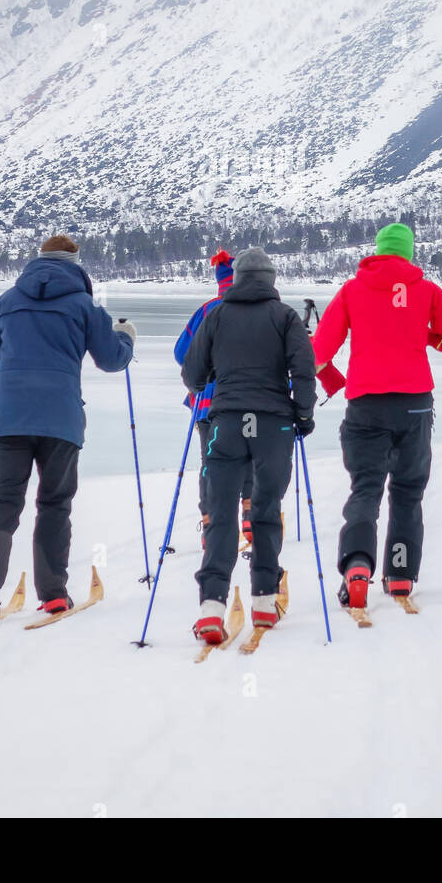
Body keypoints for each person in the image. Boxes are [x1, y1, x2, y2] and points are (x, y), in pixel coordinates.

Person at [309, 222, 442, 610]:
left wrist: (331, 378)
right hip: (415, 404)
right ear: (408, 253)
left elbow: (317, 353)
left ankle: (357, 565)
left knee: (366, 488)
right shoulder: (427, 291)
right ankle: (400, 573)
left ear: (378, 250)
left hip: (366, 403)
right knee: (407, 490)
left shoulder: (352, 290)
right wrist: (428, 335)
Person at [0, 235, 135, 620]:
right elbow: (111, 360)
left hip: (9, 418)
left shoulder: (7, 302)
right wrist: (126, 339)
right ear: (75, 263)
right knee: (55, 504)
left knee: (4, 501)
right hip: (60, 419)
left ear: (38, 259)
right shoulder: (84, 305)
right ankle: (54, 594)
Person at [182, 247, 316, 644]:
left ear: (238, 278)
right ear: (271, 280)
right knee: (265, 511)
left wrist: (211, 377)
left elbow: (192, 373)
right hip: (274, 425)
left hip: (226, 422)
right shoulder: (286, 317)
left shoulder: (217, 315)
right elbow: (304, 371)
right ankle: (263, 601)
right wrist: (303, 415)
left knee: (221, 513)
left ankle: (211, 608)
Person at [173, 249, 254, 548]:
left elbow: (181, 354)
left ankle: (210, 523)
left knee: (211, 461)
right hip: (248, 401)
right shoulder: (258, 310)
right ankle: (249, 510)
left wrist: (203, 370)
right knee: (250, 454)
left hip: (207, 404)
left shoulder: (206, 311)